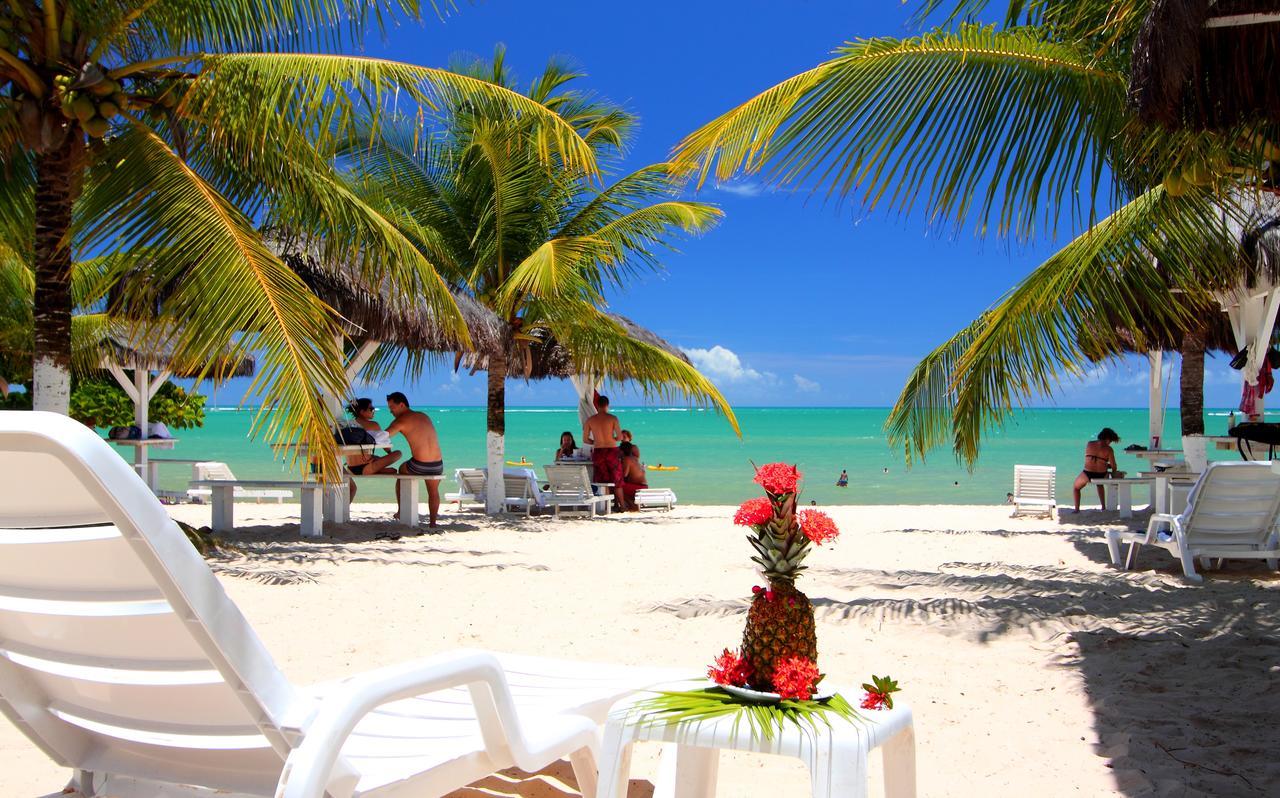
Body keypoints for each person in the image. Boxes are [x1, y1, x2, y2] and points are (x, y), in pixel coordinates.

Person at [385, 392, 444, 528]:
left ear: (401, 405)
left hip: (419, 465)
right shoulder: (423, 416)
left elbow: (384, 436)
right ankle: (433, 523)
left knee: (401, 469)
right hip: (437, 465)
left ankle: (401, 511)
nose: (391, 411)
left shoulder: (401, 420)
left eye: (392, 408)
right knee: (433, 492)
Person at [344, 398, 401, 502]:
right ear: (362, 411)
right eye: (371, 409)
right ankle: (378, 468)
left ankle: (378, 468)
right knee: (398, 454)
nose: (373, 411)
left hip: (350, 467)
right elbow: (386, 445)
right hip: (365, 468)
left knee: (377, 459)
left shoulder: (348, 425)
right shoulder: (373, 425)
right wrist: (389, 454)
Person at [583, 394, 625, 509]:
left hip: (598, 451)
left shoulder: (590, 420)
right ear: (607, 405)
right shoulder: (613, 418)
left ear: (597, 405)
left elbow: (585, 439)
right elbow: (620, 437)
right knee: (617, 479)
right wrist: (614, 439)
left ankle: (606, 506)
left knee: (602, 480)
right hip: (612, 450)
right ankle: (622, 506)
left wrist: (596, 442)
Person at [1073, 427, 1121, 513]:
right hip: (1101, 475)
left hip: (1087, 474)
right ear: (1108, 439)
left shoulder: (1089, 444)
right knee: (1099, 484)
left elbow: (1092, 460)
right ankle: (1103, 507)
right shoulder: (1109, 449)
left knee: (1076, 488)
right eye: (1110, 441)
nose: (1110, 443)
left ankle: (1076, 509)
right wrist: (1108, 466)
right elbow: (1114, 467)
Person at [618, 441, 648, 511]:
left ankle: (631, 505)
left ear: (622, 451)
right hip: (643, 486)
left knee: (617, 487)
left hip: (637, 487)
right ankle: (631, 504)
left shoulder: (626, 459)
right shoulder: (634, 458)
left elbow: (624, 475)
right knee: (620, 487)